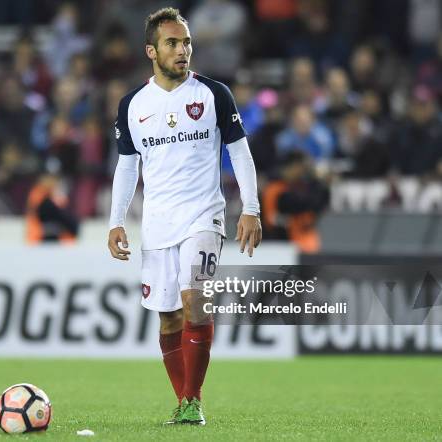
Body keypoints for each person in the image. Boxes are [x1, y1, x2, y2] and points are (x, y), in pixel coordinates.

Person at [107, 8, 261, 426]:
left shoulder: (213, 94)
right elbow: (127, 166)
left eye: (187, 42)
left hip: (203, 217)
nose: (183, 50)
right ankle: (185, 402)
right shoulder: (133, 106)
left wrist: (251, 208)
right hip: (157, 224)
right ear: (151, 51)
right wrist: (115, 220)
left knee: (195, 298)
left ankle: (193, 400)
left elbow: (240, 153)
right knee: (169, 315)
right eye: (173, 43)